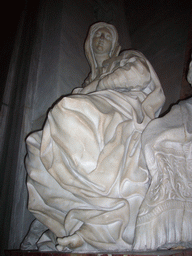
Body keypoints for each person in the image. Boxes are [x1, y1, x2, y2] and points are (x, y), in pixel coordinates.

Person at [23, 22, 165, 252]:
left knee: (67, 110)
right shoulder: (88, 81)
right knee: (37, 147)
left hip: (123, 112)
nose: (100, 37)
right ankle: (81, 217)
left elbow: (139, 74)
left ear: (115, 46)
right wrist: (91, 87)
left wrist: (95, 87)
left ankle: (102, 213)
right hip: (100, 114)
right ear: (88, 44)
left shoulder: (125, 58)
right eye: (96, 34)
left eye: (106, 35)